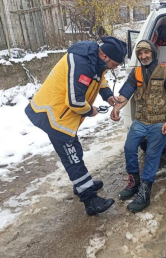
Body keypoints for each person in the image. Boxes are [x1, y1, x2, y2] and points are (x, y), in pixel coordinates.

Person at [25, 37, 127, 216]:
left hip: (62, 115)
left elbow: (99, 79)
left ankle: (80, 184)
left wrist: (108, 96)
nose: (114, 68)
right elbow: (75, 101)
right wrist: (91, 111)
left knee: (75, 151)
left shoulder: (95, 59)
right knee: (72, 157)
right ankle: (90, 200)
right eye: (113, 64)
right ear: (104, 55)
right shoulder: (82, 63)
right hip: (52, 114)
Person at [111, 40, 166, 213]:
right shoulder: (137, 72)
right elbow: (127, 91)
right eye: (140, 53)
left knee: (152, 156)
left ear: (153, 53)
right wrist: (117, 107)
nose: (143, 56)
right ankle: (134, 183)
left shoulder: (165, 71)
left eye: (146, 53)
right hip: (141, 120)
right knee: (129, 148)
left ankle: (145, 193)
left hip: (158, 121)